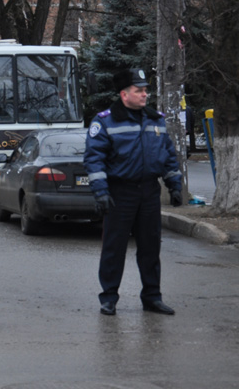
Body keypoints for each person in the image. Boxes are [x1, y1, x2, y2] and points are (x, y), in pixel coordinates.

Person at [84, 68, 182, 316]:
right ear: (124, 94)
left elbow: (168, 155)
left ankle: (152, 297)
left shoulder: (155, 119)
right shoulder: (105, 121)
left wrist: (174, 184)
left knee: (150, 248)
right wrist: (101, 192)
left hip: (149, 192)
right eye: (139, 91)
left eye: (146, 90)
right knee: (114, 249)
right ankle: (109, 298)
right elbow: (94, 160)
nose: (144, 95)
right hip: (120, 193)